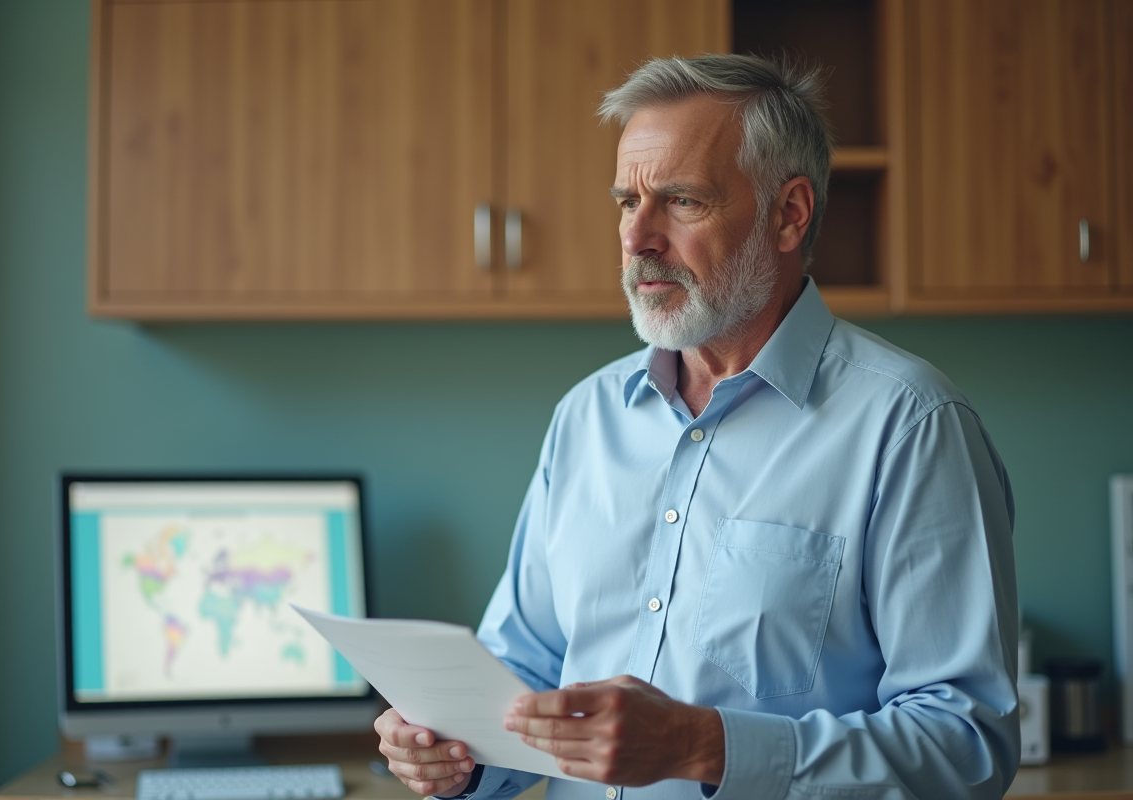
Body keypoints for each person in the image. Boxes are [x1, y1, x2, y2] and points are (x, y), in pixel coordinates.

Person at [375, 54, 1019, 800]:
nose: (637, 237)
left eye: (680, 201)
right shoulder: (586, 418)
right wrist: (455, 750)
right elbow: (527, 670)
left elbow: (966, 743)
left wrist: (704, 746)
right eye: (626, 202)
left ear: (789, 213)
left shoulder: (911, 426)